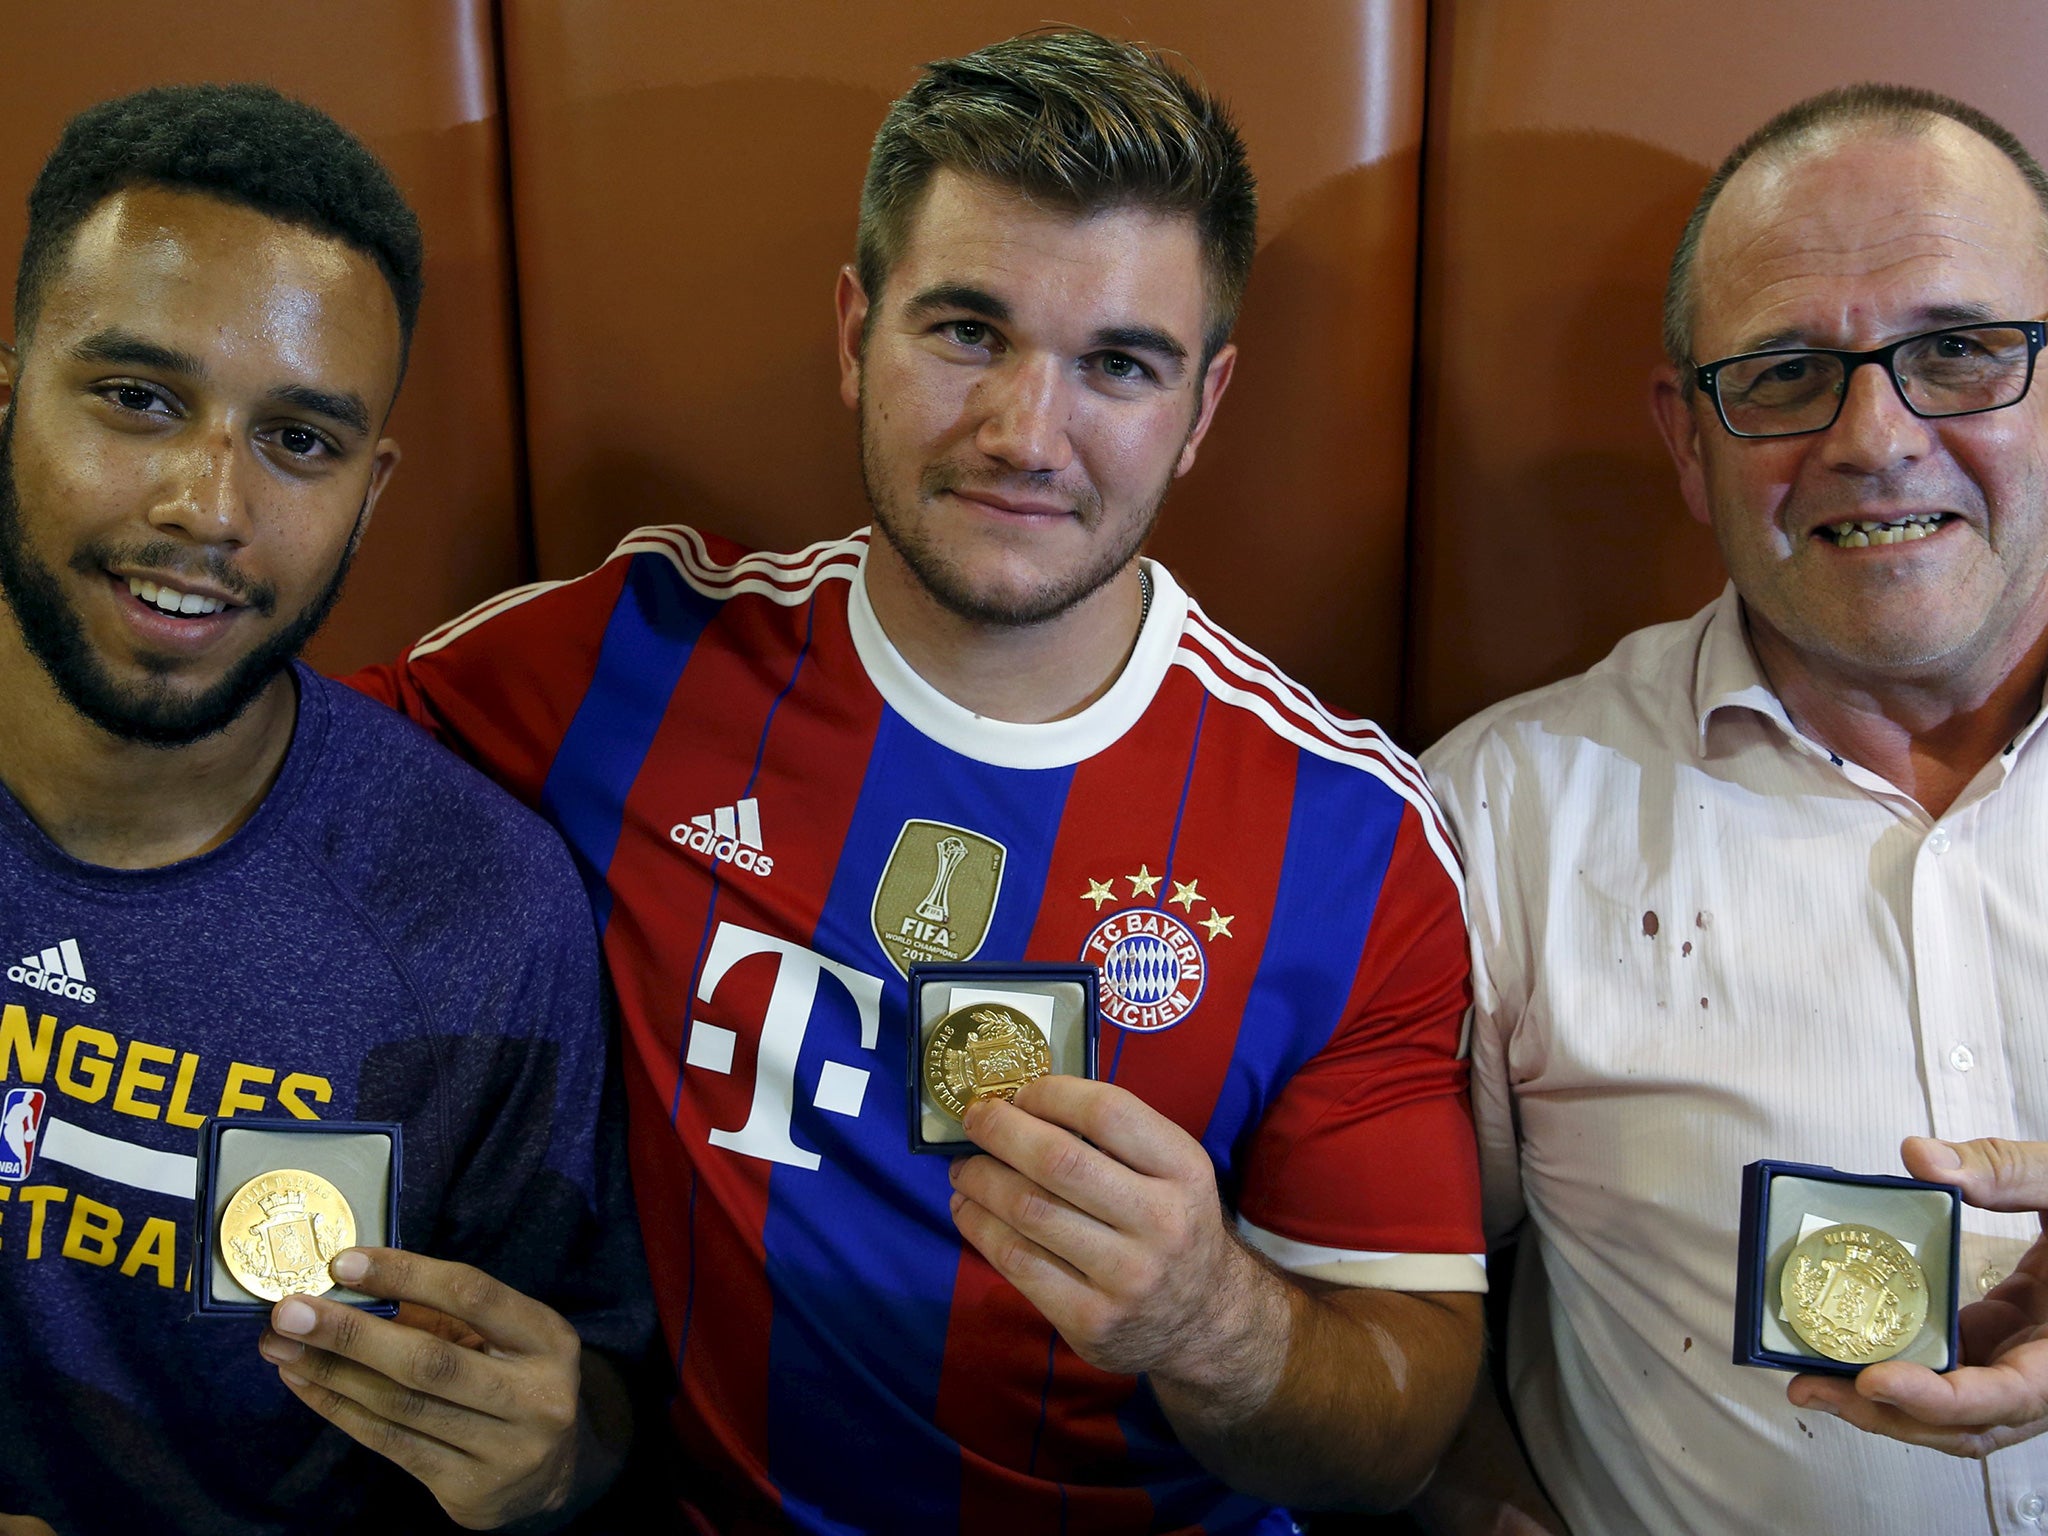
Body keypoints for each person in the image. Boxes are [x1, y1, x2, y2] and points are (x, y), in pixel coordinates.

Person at [355, 28, 1485, 1534]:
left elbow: (1398, 1432)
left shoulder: (1356, 842)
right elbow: (225, 774)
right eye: (966, 330)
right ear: (853, 333)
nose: (1026, 433)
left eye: (1119, 366)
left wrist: (1212, 1316)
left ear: (1202, 409)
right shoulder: (617, 663)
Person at [0, 86, 649, 1535]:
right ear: (10, 388)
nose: (206, 504)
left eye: (298, 440)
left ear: (368, 494)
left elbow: (593, 1415)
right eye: (138, 397)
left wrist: (553, 1463)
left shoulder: (480, 911)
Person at [1419, 83, 2048, 1535]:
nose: (1875, 438)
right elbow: (1384, 1320)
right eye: (1782, 372)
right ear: (1686, 439)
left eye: (1955, 351)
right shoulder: (1493, 822)